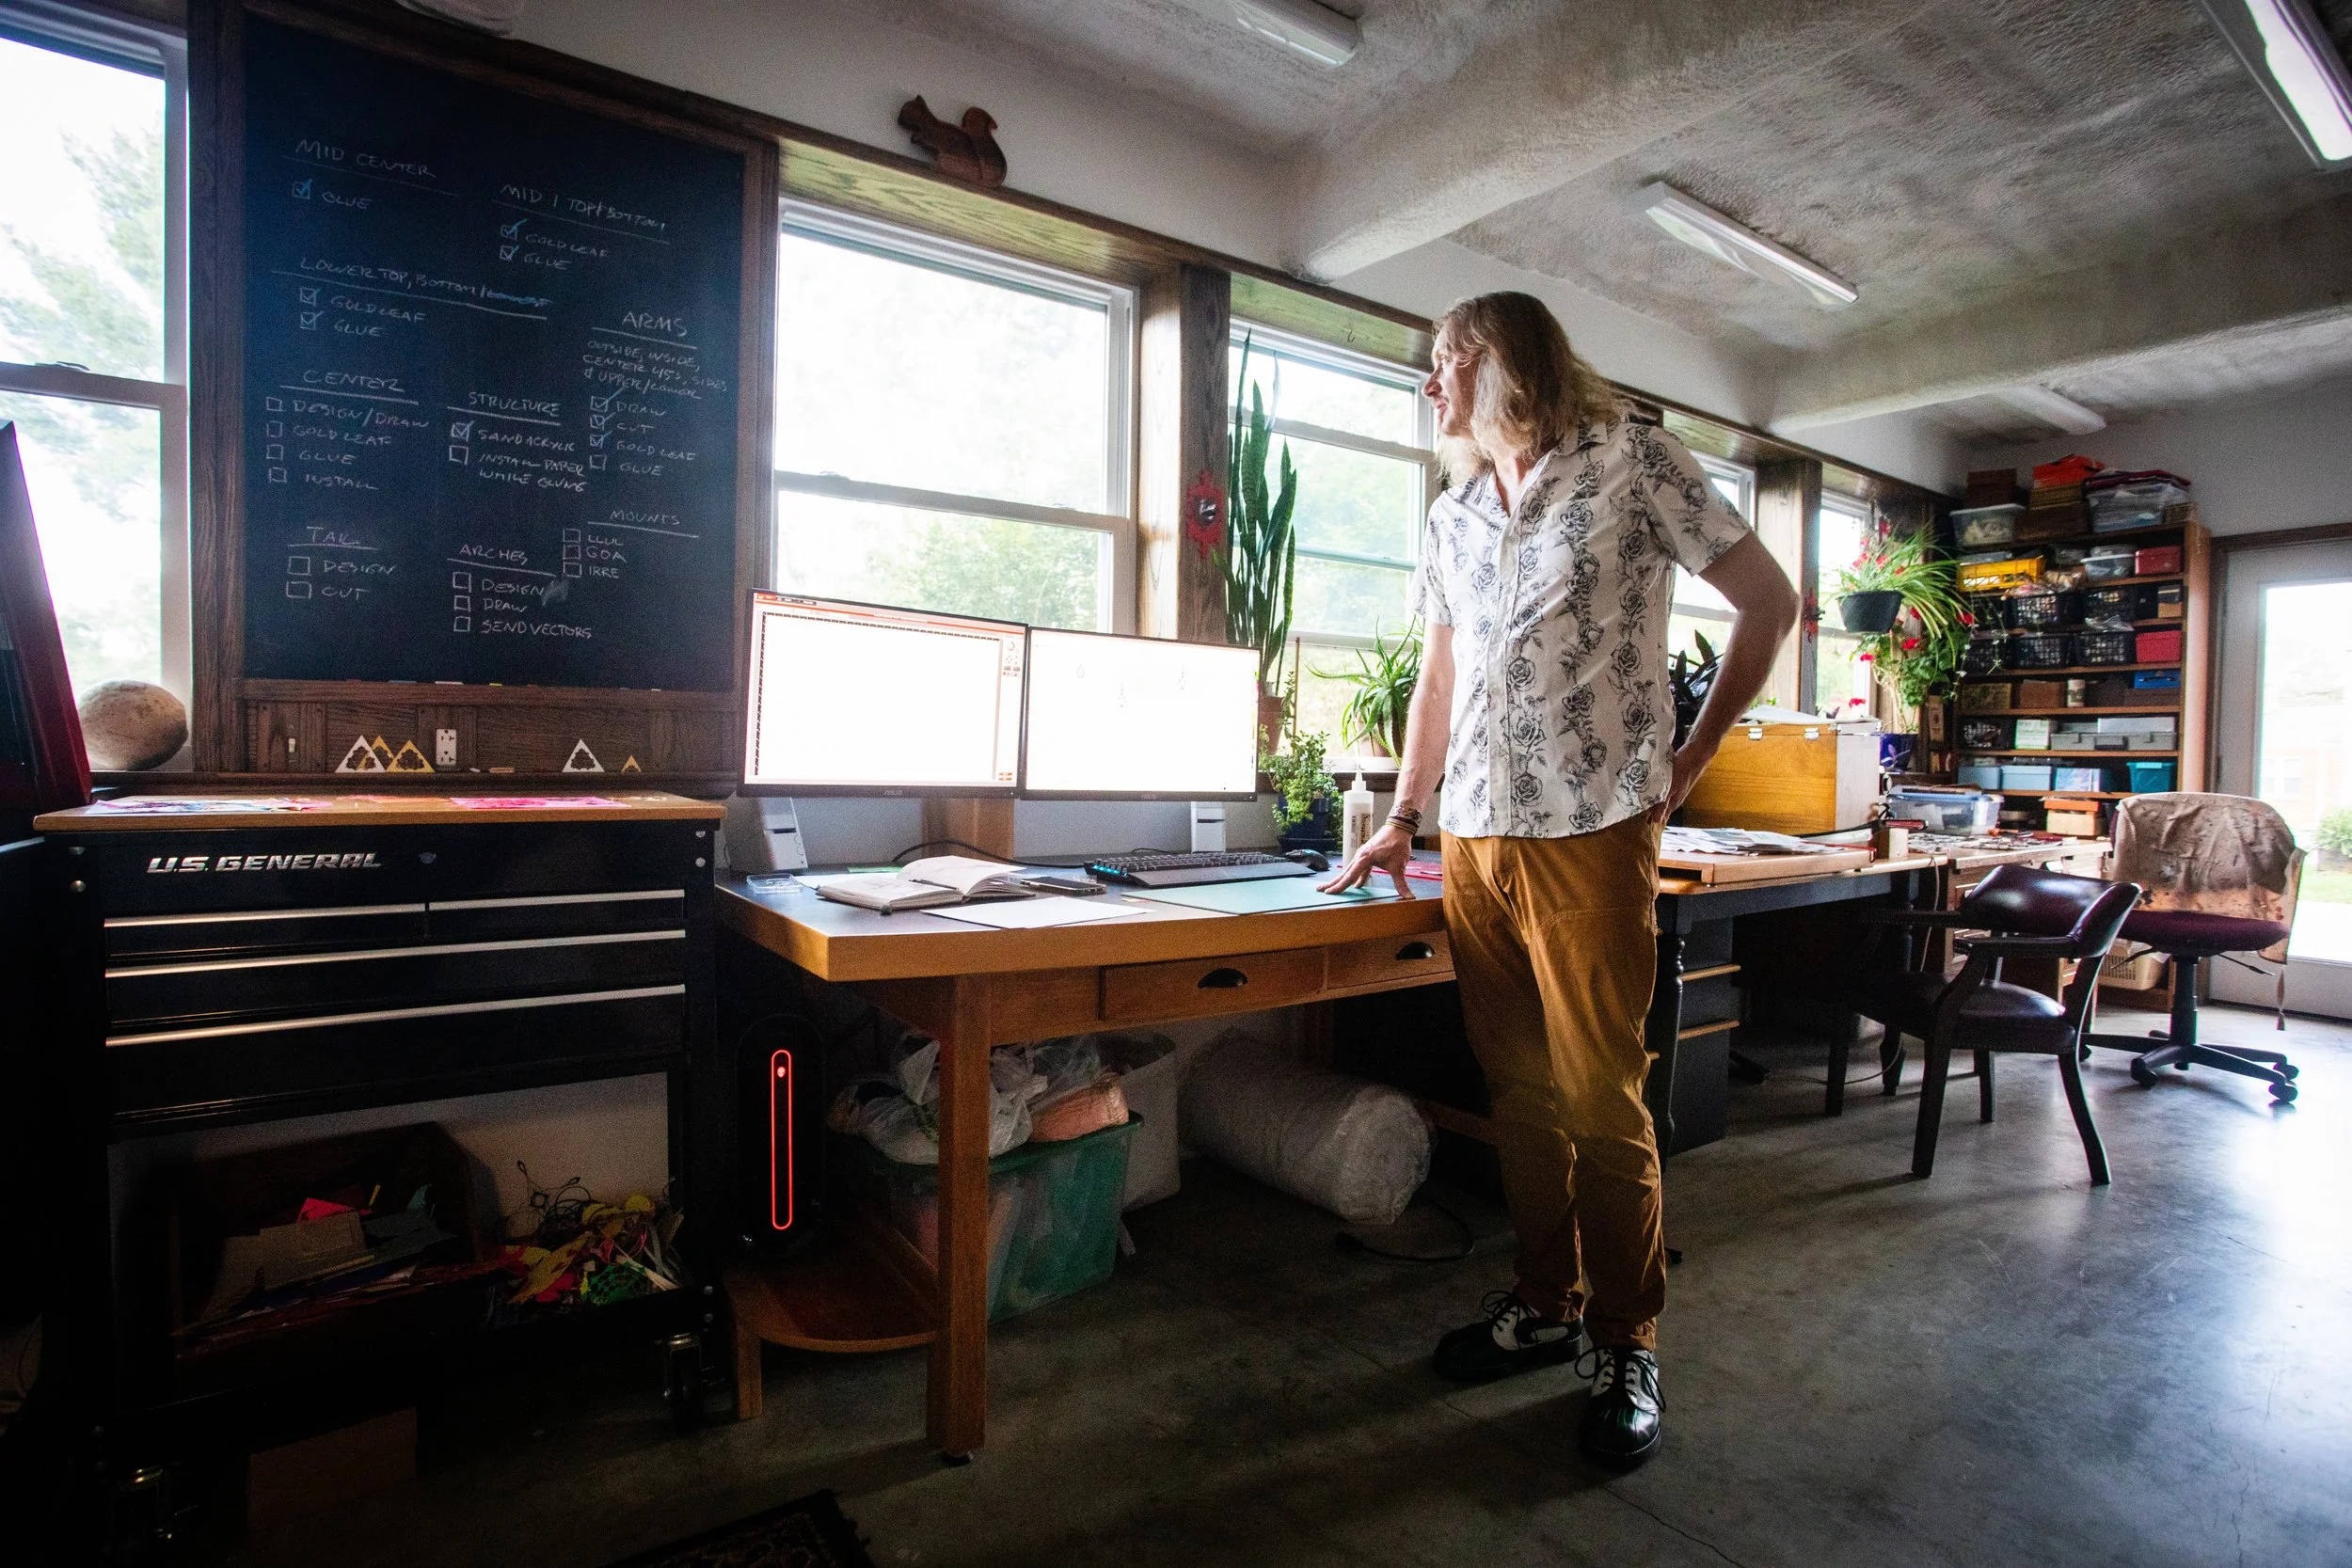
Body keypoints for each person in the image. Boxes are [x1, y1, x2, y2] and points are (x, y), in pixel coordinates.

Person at [1322, 291, 1798, 1468]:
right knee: (1519, 1093)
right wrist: (1401, 817)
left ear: (1506, 360)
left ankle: (1629, 1336)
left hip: (1593, 825)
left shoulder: (1631, 460)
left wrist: (1690, 758)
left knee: (1600, 1097)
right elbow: (1437, 680)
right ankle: (1544, 1300)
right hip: (1476, 837)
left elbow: (1771, 602)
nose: (1432, 385)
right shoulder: (1449, 515)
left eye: (1448, 361)